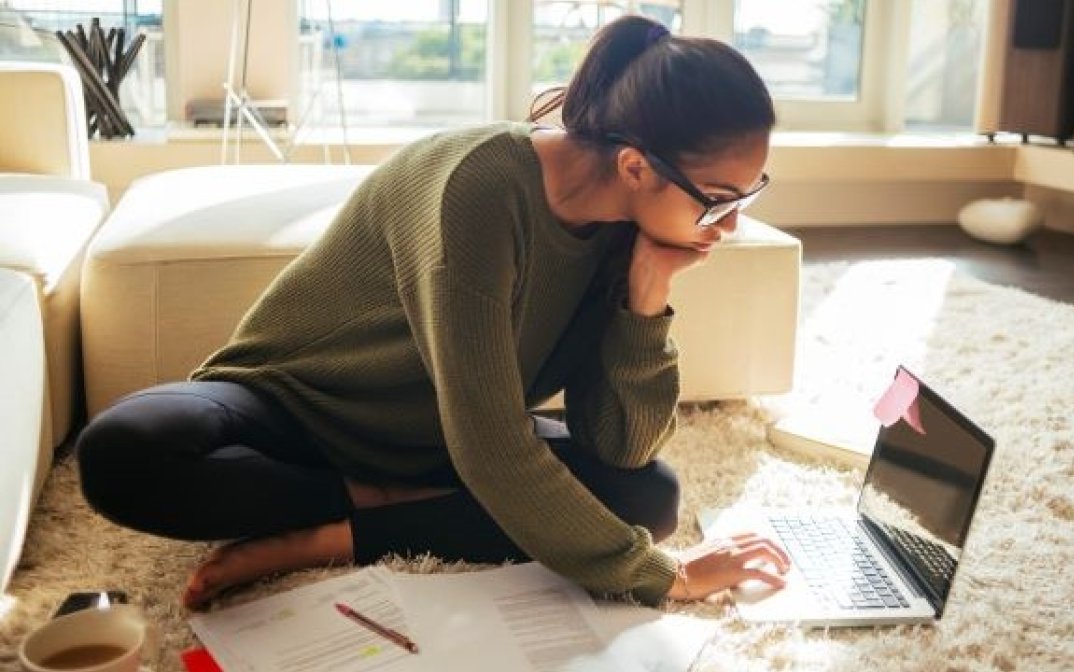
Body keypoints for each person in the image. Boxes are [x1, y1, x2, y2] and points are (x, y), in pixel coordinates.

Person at [76, 15, 790, 610]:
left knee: (649, 495)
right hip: (299, 410)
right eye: (718, 199)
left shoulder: (630, 236)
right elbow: (492, 448)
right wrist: (667, 576)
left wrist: (645, 299)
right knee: (124, 452)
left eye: (746, 196)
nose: (727, 226)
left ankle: (337, 533)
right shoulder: (478, 189)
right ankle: (384, 503)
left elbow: (618, 447)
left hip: (442, 441)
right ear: (635, 166)